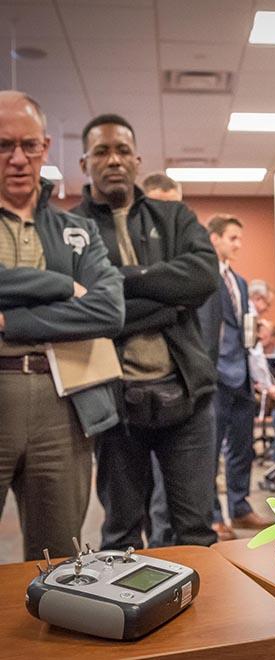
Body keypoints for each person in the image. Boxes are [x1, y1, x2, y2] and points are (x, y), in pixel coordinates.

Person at [72, 113, 218, 550]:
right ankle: (125, 616)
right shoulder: (71, 229)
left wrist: (120, 279)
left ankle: (206, 618)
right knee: (119, 533)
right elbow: (84, 310)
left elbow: (203, 276)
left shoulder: (174, 217)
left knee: (194, 531)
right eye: (101, 151)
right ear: (84, 163)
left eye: (121, 151)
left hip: (188, 399)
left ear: (136, 160)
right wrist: (168, 304)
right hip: (115, 406)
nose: (113, 160)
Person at [0, 91, 124, 560]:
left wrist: (10, 319)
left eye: (29, 145)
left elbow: (108, 311)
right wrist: (57, 283)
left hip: (63, 400)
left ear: (45, 146)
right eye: (3, 145)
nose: (17, 159)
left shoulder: (78, 230)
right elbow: (81, 303)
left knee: (57, 559)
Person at [198, 215, 271, 542]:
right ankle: (213, 516)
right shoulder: (203, 277)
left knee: (243, 448)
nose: (238, 244)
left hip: (241, 374)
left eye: (240, 238)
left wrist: (257, 334)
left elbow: (242, 325)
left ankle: (240, 507)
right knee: (209, 452)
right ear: (214, 239)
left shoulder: (240, 282)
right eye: (232, 238)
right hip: (213, 374)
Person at [141, 171, 183, 547]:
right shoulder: (136, 264)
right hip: (136, 397)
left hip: (190, 396)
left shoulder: (195, 267)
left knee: (188, 502)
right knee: (149, 496)